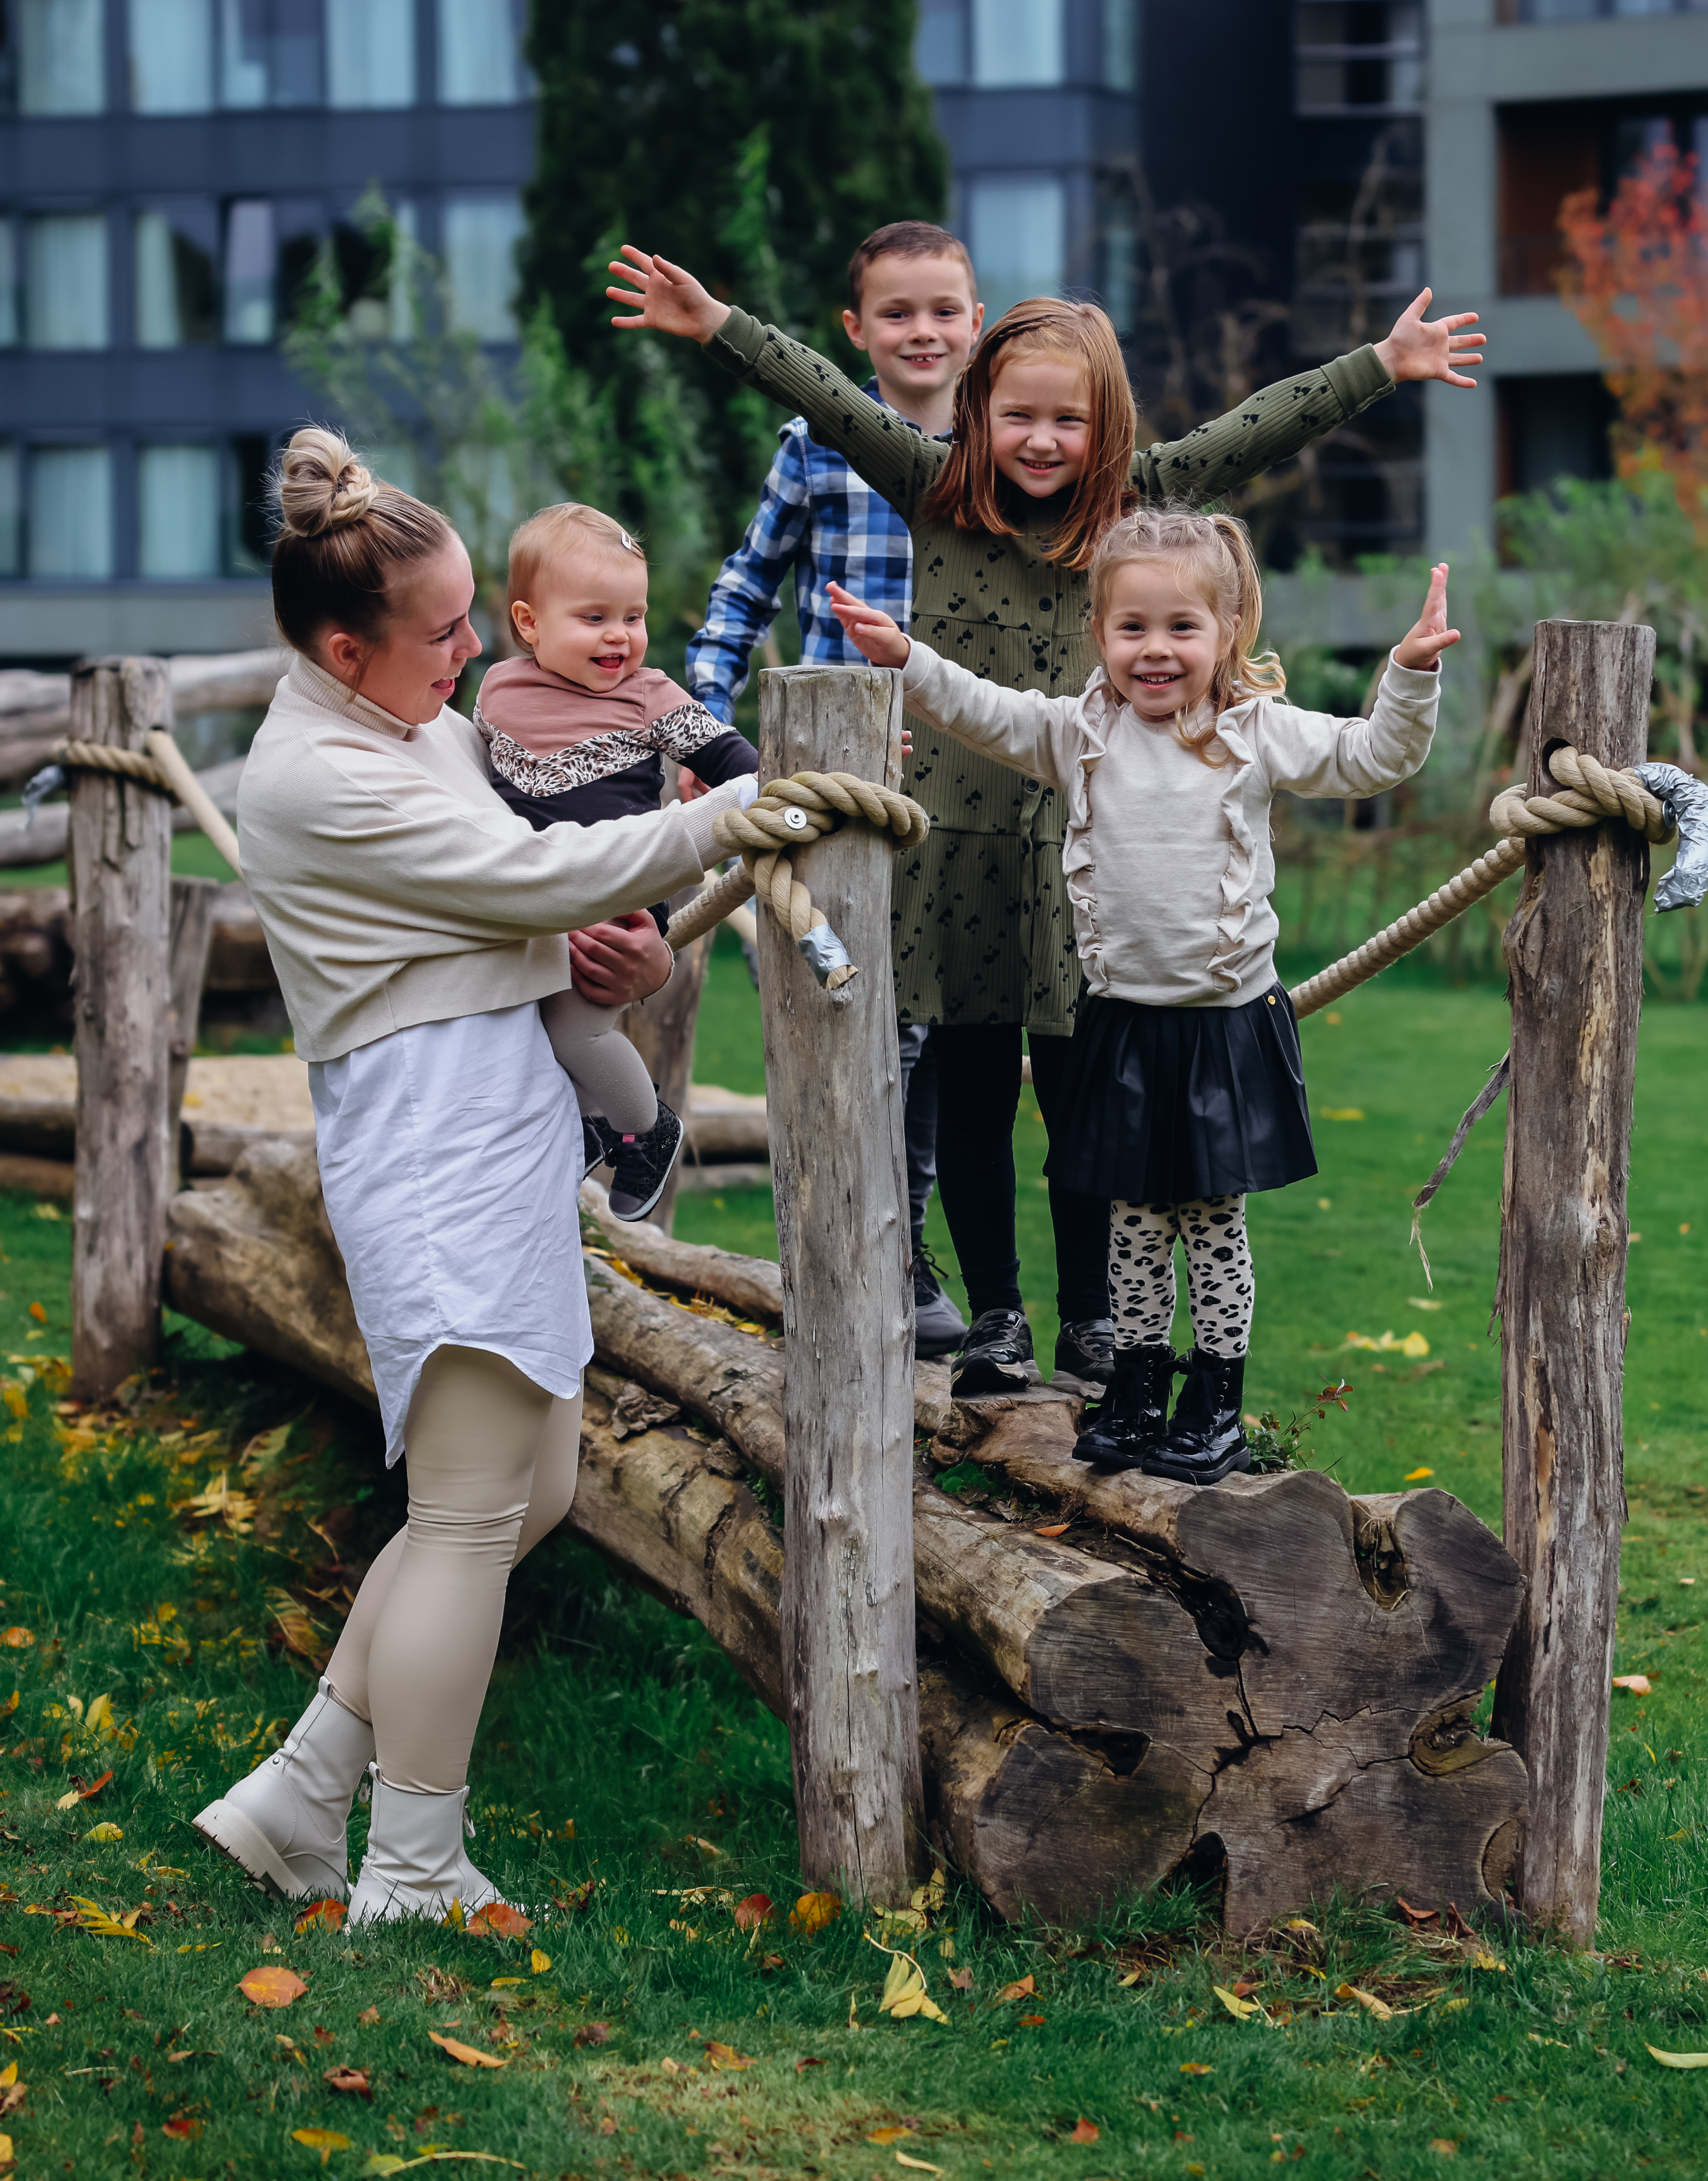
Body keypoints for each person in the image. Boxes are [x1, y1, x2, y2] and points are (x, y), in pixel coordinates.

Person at [611, 243, 1485, 1398]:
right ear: (978, 410)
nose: (1040, 441)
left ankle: (1090, 1325)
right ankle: (998, 1320)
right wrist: (718, 320)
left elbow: (1263, 429)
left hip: (1091, 862)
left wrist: (1383, 361)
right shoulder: (930, 484)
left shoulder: (1133, 509)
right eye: (1017, 415)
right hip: (958, 851)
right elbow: (821, 391)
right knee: (971, 1098)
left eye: (1066, 421)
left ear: (1104, 425)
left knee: (1087, 1105)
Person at [191, 427, 762, 1924]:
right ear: (340, 646)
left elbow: (528, 891)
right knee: (460, 1513)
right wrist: (730, 815)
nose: (470, 654)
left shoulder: (412, 726)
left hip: (501, 1131)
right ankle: (412, 1862)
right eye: (440, 632)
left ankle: (302, 1793)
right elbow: (524, 881)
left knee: (536, 1486)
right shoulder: (311, 775)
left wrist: (625, 948)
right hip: (434, 1147)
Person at [821, 508, 1458, 1484]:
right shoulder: (1079, 734)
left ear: (1226, 632)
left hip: (1220, 1031)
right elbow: (981, 709)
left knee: (1209, 1224)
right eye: (1132, 628)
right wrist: (907, 657)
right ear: (1100, 633)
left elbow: (1376, 756)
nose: (1154, 651)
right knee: (1131, 1225)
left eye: (1180, 628)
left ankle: (1214, 1402)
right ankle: (1131, 1385)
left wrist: (1407, 675)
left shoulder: (1253, 734)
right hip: (1122, 1026)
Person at [683, 221, 984, 1357]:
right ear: (855, 331)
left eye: (943, 309)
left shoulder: (1006, 443)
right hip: (840, 770)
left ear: (976, 321)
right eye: (896, 313)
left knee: (955, 1024)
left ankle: (930, 1254)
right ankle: (881, 1256)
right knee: (867, 1014)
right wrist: (702, 717)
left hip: (965, 770)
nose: (922, 331)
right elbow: (748, 584)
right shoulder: (818, 441)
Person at [474, 501, 759, 1220]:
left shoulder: (649, 695)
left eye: (633, 616)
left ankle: (647, 1127)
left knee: (579, 1029)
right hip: (531, 902)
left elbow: (743, 764)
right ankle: (592, 1123)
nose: (620, 637)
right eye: (594, 617)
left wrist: (829, 771)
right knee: (532, 1031)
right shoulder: (499, 690)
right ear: (529, 622)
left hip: (616, 902)